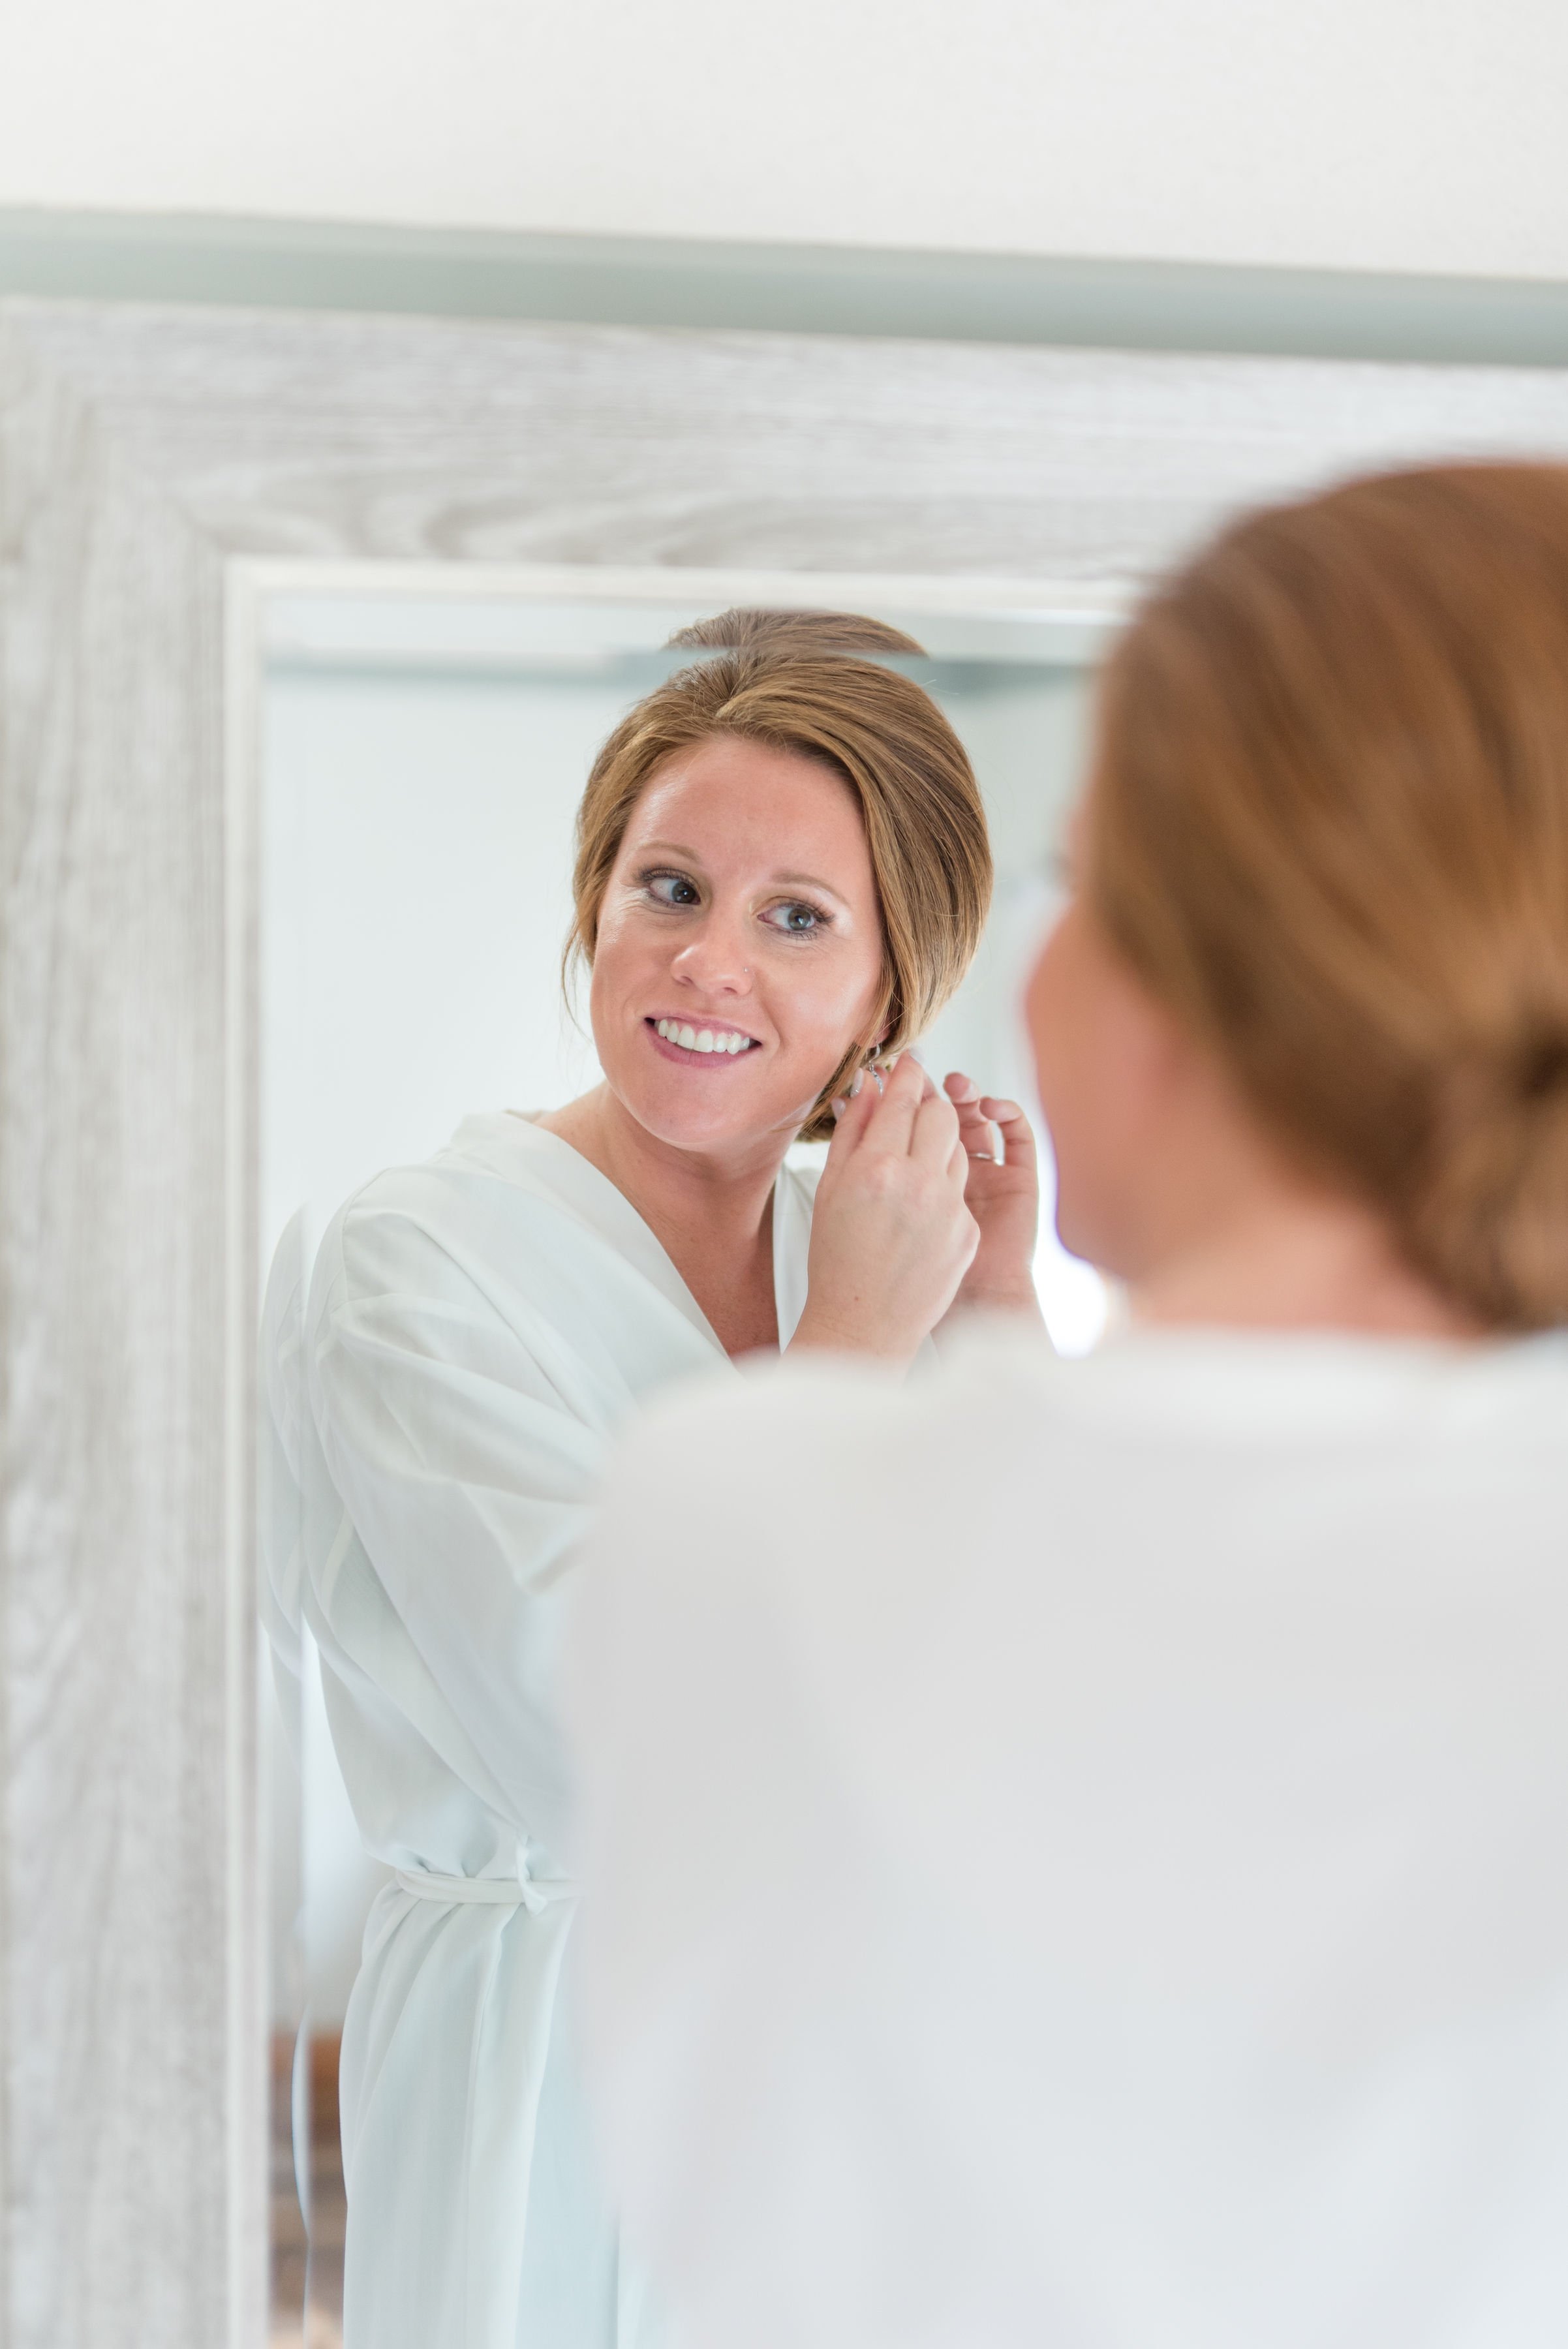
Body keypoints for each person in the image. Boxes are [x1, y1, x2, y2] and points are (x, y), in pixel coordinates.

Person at [568, 467, 1568, 2349]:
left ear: (1198, 984)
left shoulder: (735, 1512)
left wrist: (893, 1319)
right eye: (674, 890)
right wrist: (995, 1303)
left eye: (1085, 880)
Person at [263, 608, 1040, 2349]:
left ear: (888, 990)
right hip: (549, 2064)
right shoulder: (419, 1259)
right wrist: (850, 1337)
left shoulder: (874, 1246)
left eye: (796, 919)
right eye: (669, 888)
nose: (705, 962)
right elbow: (591, 1734)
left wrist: (988, 1310)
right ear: (594, 906)